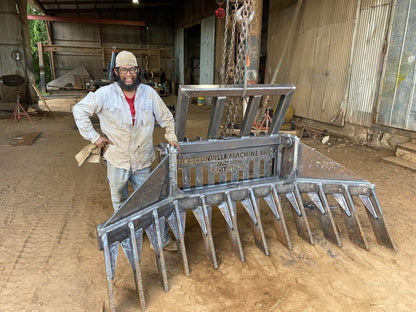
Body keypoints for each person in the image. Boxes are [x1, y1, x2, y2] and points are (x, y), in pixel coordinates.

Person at [73, 50, 179, 251]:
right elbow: (79, 110)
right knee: (119, 201)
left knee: (149, 200)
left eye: (132, 69)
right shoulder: (105, 94)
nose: (128, 74)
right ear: (116, 71)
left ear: (138, 71)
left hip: (142, 160)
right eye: (124, 70)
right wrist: (94, 137)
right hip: (117, 160)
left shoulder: (149, 93)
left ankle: (161, 238)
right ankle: (127, 236)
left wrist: (171, 136)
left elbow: (167, 118)